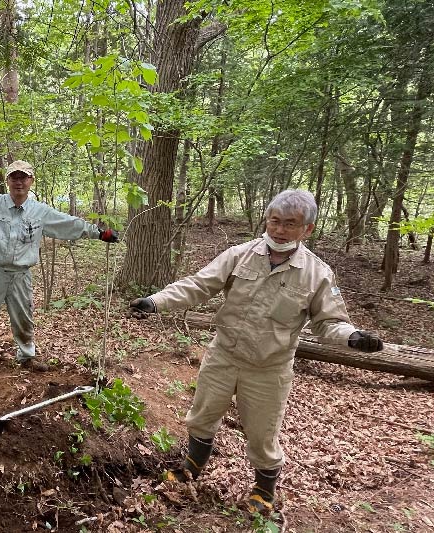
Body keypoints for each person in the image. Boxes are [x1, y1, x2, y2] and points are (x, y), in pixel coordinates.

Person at [129, 189, 383, 512]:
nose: (278, 230)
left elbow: (329, 323)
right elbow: (199, 284)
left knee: (263, 435)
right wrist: (156, 302)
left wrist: (353, 337)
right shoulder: (240, 254)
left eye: (289, 224)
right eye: (274, 221)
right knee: (202, 415)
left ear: (307, 229)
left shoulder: (317, 274)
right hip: (223, 355)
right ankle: (191, 467)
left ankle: (263, 492)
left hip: (269, 369)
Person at [0, 148, 119, 371]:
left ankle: (26, 358)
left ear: (31, 181)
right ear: (7, 180)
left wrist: (99, 232)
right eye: (14, 177)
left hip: (21, 275)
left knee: (24, 319)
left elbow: (68, 224)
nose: (19, 182)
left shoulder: (40, 212)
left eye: (24, 177)